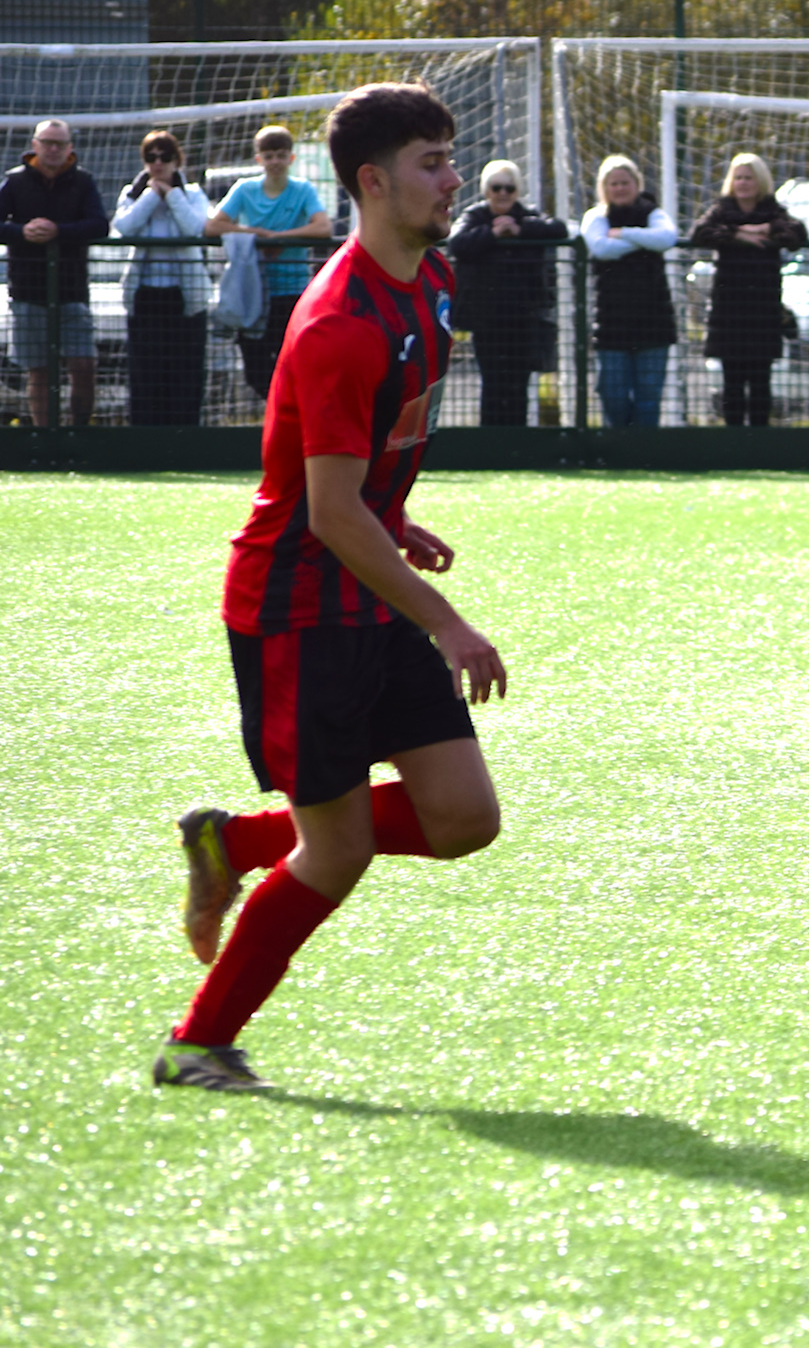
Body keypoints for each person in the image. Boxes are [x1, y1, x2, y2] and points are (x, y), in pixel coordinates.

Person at [156, 81, 508, 1094]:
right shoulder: (340, 322)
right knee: (340, 848)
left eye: (449, 158)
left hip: (368, 577)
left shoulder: (430, 283)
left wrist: (394, 520)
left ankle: (234, 842)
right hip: (299, 608)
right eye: (433, 162)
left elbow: (352, 483)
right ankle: (196, 1043)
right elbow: (326, 512)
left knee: (463, 819)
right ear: (372, 181)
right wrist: (446, 622)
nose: (450, 178)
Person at [207, 125, 334, 403]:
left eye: (280, 155)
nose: (275, 161)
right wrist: (258, 237)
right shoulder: (245, 188)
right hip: (254, 294)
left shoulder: (302, 189)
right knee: (257, 372)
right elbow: (213, 226)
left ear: (291, 158)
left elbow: (323, 227)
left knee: (295, 364)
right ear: (259, 159)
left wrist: (280, 238)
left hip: (293, 292)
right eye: (269, 155)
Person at [0, 119, 108, 427]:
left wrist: (58, 231)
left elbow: (99, 224)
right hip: (28, 290)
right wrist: (22, 232)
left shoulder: (83, 182)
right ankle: (44, 437)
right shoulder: (15, 182)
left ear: (70, 148)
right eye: (47, 142)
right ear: (34, 145)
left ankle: (78, 434)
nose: (53, 149)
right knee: (39, 371)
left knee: (83, 365)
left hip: (72, 291)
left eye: (59, 144)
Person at [689, 152, 805, 427]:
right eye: (738, 177)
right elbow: (700, 233)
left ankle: (759, 440)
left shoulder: (773, 210)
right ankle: (734, 440)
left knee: (760, 380)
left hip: (763, 311)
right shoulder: (721, 210)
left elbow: (797, 234)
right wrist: (739, 233)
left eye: (749, 177)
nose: (743, 183)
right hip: (729, 312)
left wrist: (767, 227)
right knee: (732, 381)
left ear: (761, 180)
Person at [445, 160, 562, 426]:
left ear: (517, 190)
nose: (502, 194)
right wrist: (493, 233)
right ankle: (491, 441)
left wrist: (520, 231)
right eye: (496, 187)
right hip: (487, 320)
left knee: (518, 384)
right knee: (493, 382)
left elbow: (558, 228)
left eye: (509, 188)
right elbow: (458, 243)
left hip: (524, 318)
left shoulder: (526, 215)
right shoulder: (476, 217)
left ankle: (517, 442)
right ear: (487, 190)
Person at [114, 131, 216, 426]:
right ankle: (146, 437)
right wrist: (150, 195)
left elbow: (194, 228)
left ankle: (185, 436)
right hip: (145, 296)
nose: (158, 164)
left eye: (165, 157)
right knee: (146, 369)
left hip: (185, 297)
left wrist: (172, 195)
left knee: (185, 368)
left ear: (177, 159)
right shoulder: (132, 193)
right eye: (151, 157)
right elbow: (125, 227)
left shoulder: (193, 193)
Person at [580, 154, 680, 428]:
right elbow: (601, 247)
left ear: (636, 184)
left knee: (649, 397)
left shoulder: (653, 213)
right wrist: (643, 240)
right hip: (611, 324)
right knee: (612, 394)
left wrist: (624, 234)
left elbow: (666, 238)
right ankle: (616, 452)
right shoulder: (596, 217)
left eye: (625, 182)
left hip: (654, 323)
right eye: (614, 183)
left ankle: (644, 455)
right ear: (604, 187)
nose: (620, 188)